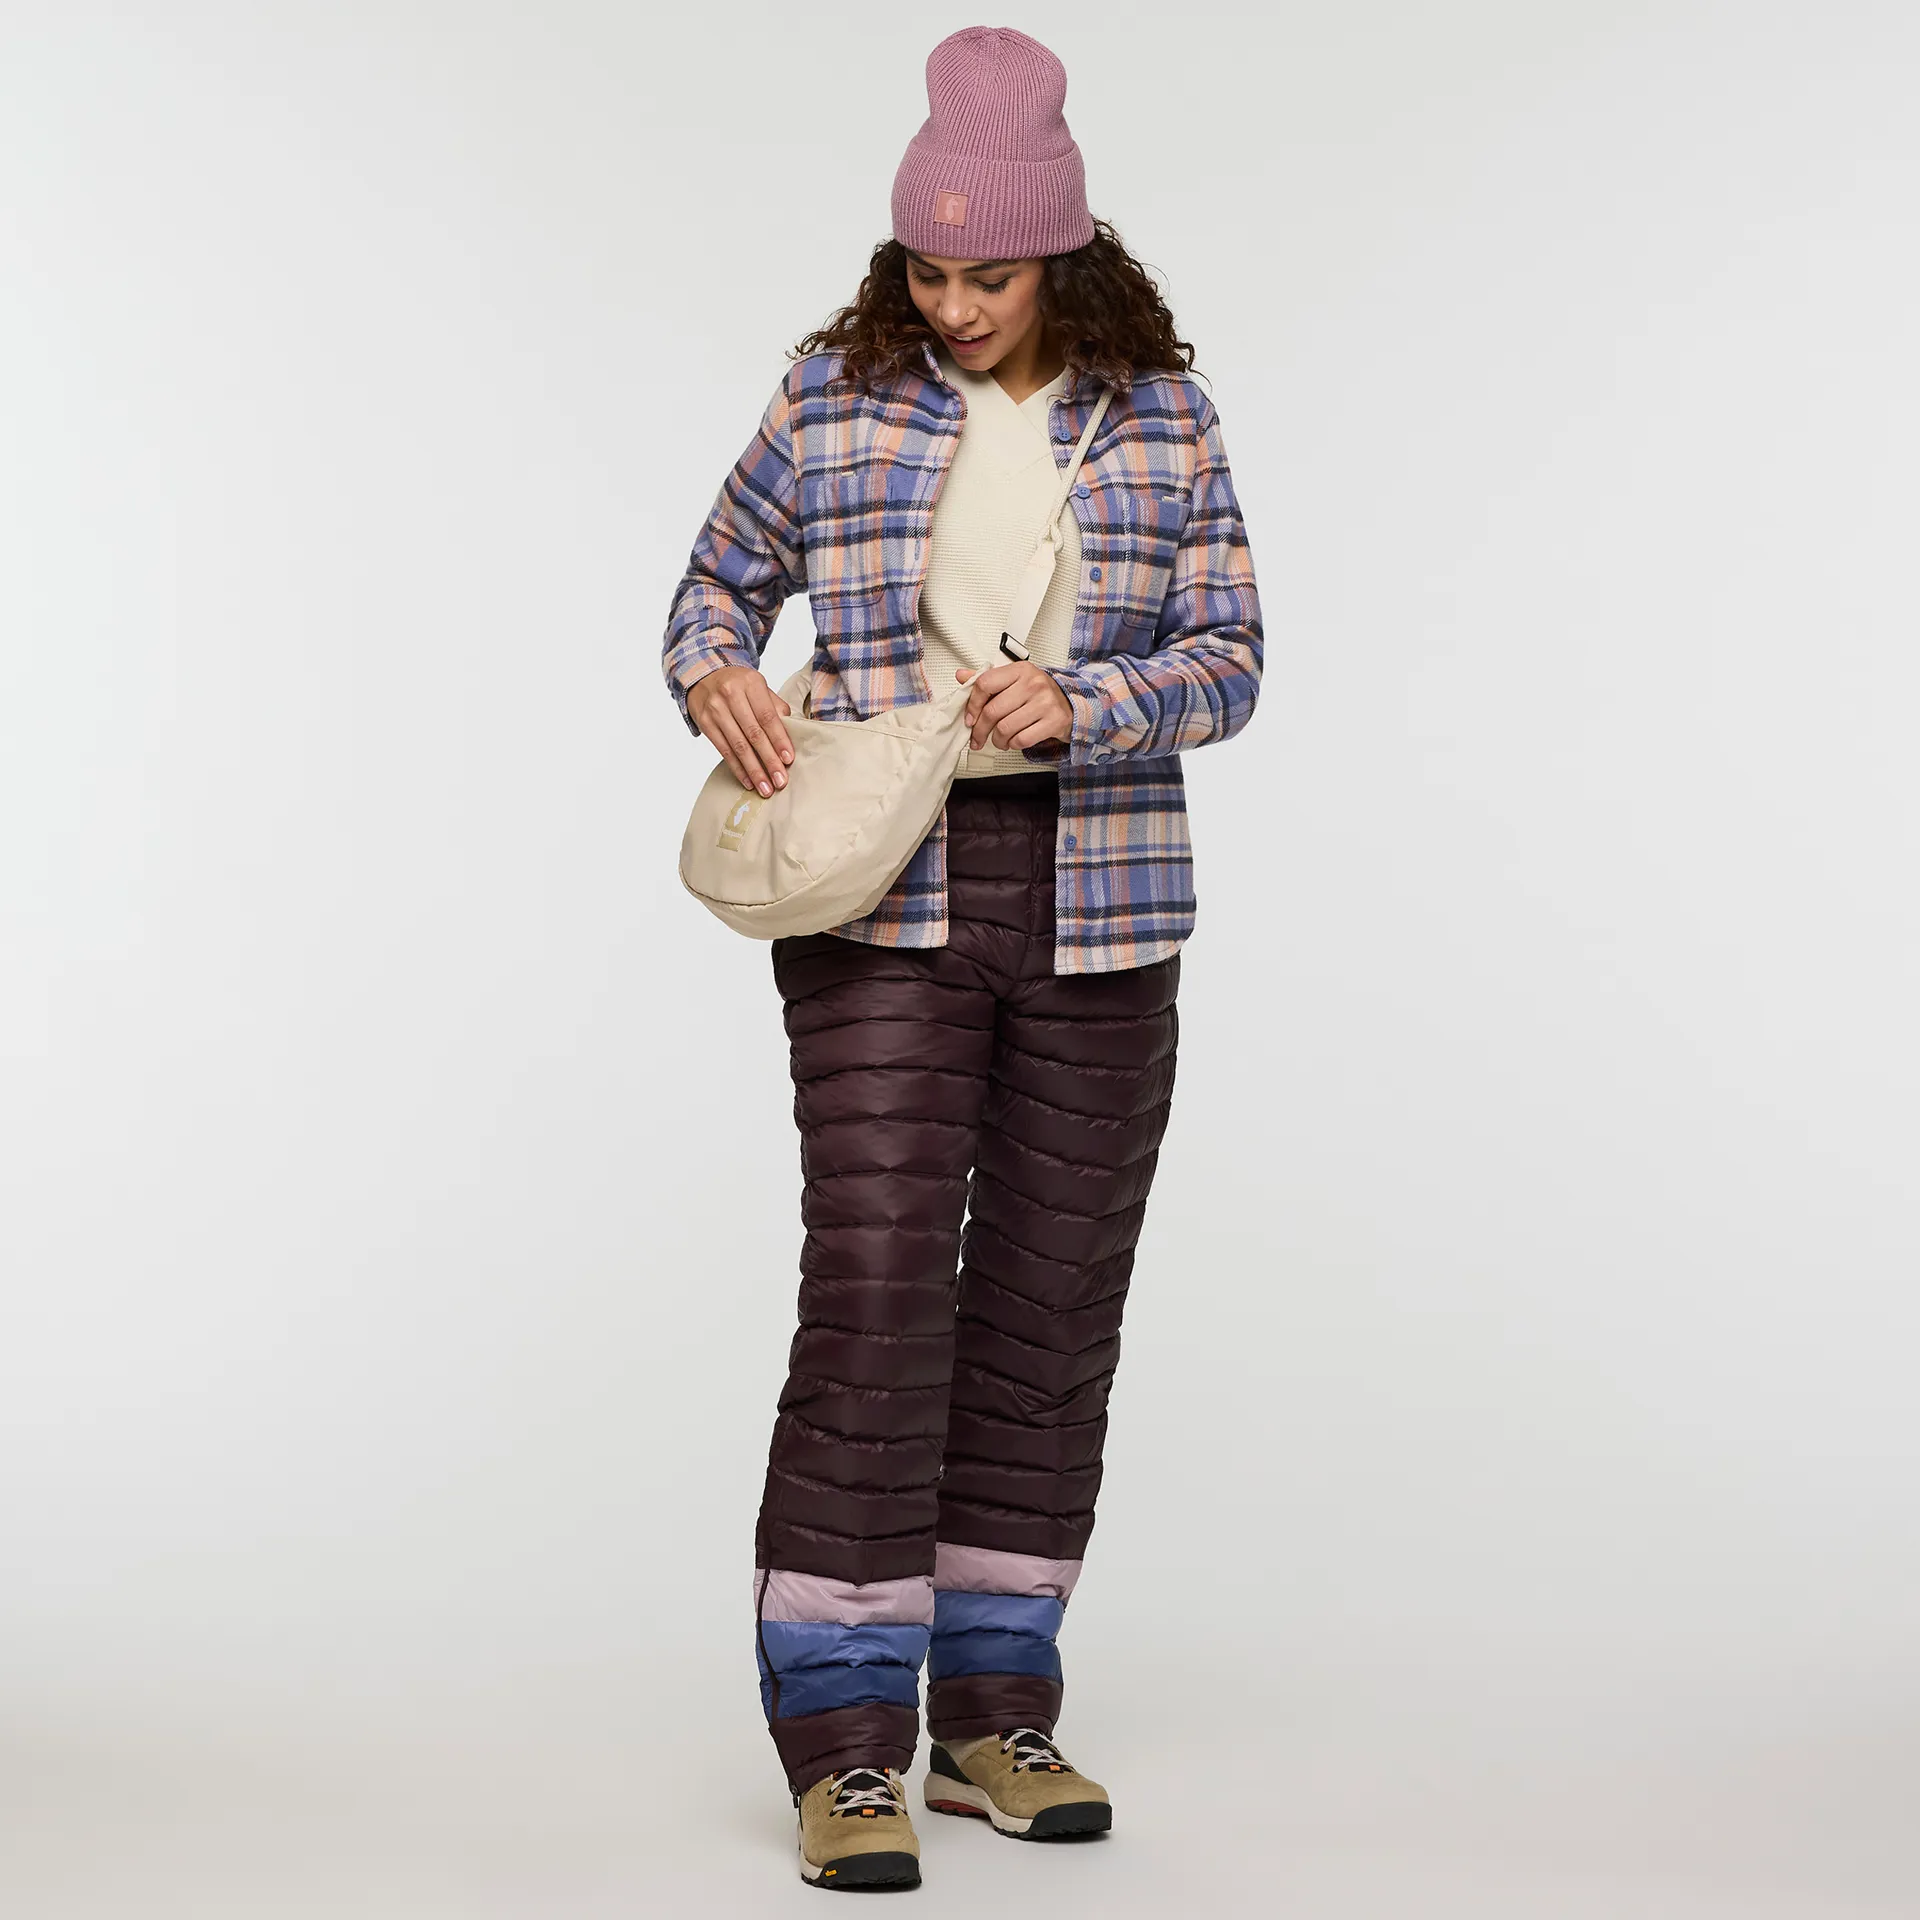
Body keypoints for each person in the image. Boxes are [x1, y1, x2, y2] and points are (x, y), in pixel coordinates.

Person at [661, 25, 1264, 1893]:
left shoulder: (1160, 416)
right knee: (876, 1291)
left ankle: (996, 1712)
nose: (955, 305)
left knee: (1050, 1308)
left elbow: (1235, 658)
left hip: (1107, 899)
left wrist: (1089, 701)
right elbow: (709, 590)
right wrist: (719, 671)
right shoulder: (833, 397)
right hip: (880, 896)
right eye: (927, 270)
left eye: (987, 272)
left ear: (1059, 252)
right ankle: (845, 1743)